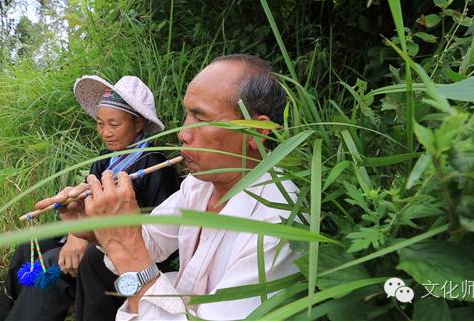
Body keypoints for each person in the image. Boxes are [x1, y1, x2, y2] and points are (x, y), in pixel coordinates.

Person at [36, 54, 300, 320]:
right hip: (175, 301)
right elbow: (150, 240)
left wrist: (126, 248)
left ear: (255, 132)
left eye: (201, 118)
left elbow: (138, 253)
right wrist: (94, 227)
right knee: (93, 258)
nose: (183, 133)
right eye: (188, 115)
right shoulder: (198, 186)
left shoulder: (277, 223)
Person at [0, 76, 181, 321]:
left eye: (114, 124)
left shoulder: (156, 166)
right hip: (95, 233)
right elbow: (87, 203)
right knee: (30, 244)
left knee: (53, 263)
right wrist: (75, 234)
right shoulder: (105, 159)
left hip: (131, 247)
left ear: (138, 124)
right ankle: (0, 316)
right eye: (100, 124)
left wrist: (88, 239)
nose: (105, 133)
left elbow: (161, 235)